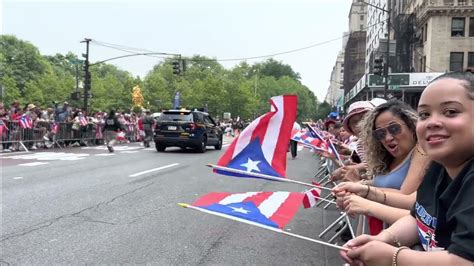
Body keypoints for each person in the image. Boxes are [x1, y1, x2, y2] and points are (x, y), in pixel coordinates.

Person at [341, 71, 474, 265]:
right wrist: (382, 239)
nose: (432, 122)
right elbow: (417, 217)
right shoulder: (439, 166)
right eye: (424, 114)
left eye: (451, 112)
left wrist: (392, 256)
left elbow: (464, 261)